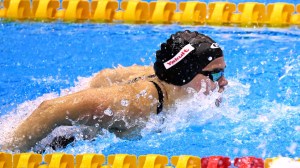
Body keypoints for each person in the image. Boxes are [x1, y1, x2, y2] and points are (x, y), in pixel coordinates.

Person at [2, 30, 228, 152]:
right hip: (52, 138)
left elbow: (104, 76)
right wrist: (9, 152)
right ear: (185, 76)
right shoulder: (138, 105)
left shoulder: (171, 80)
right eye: (216, 74)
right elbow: (49, 109)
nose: (224, 82)